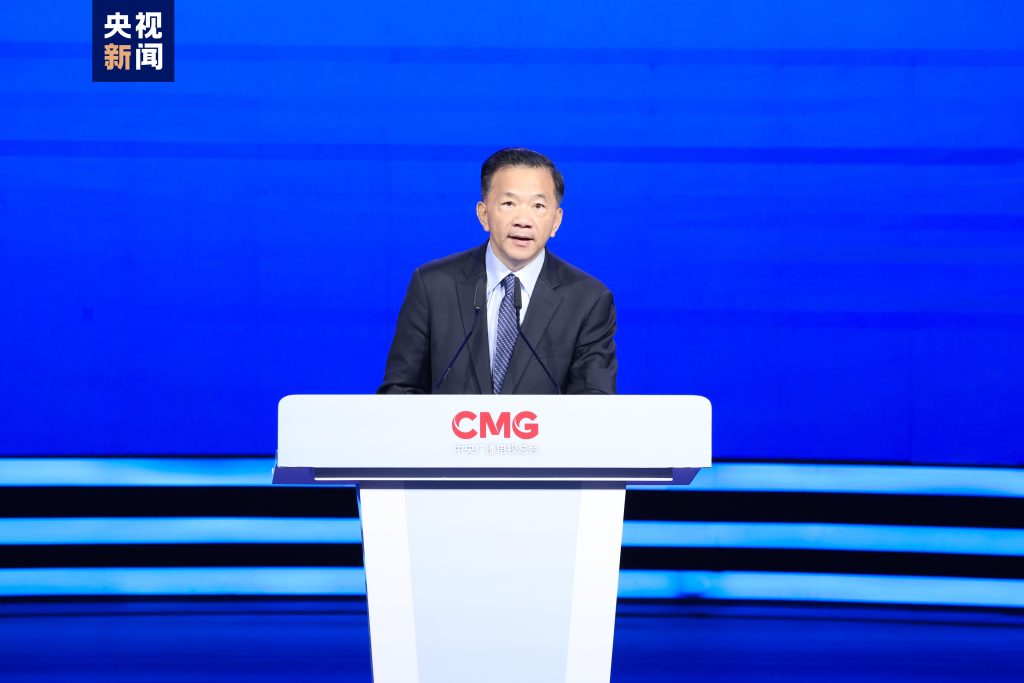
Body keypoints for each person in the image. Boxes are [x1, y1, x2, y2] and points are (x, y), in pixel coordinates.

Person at [378, 147, 616, 395]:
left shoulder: (587, 299)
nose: (523, 220)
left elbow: (594, 402)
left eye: (538, 205)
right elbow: (399, 391)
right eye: (508, 203)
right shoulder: (433, 286)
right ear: (483, 214)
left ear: (556, 221)